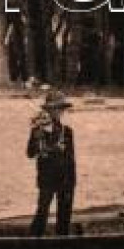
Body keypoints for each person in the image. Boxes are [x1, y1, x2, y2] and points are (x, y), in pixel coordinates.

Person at [27, 88, 77, 237]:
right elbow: (30, 153)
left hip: (65, 178)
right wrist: (37, 137)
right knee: (42, 213)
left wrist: (72, 181)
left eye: (59, 109)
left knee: (64, 216)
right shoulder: (39, 130)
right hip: (47, 179)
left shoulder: (67, 131)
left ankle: (62, 244)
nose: (57, 112)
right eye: (54, 109)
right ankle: (32, 243)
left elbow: (70, 159)